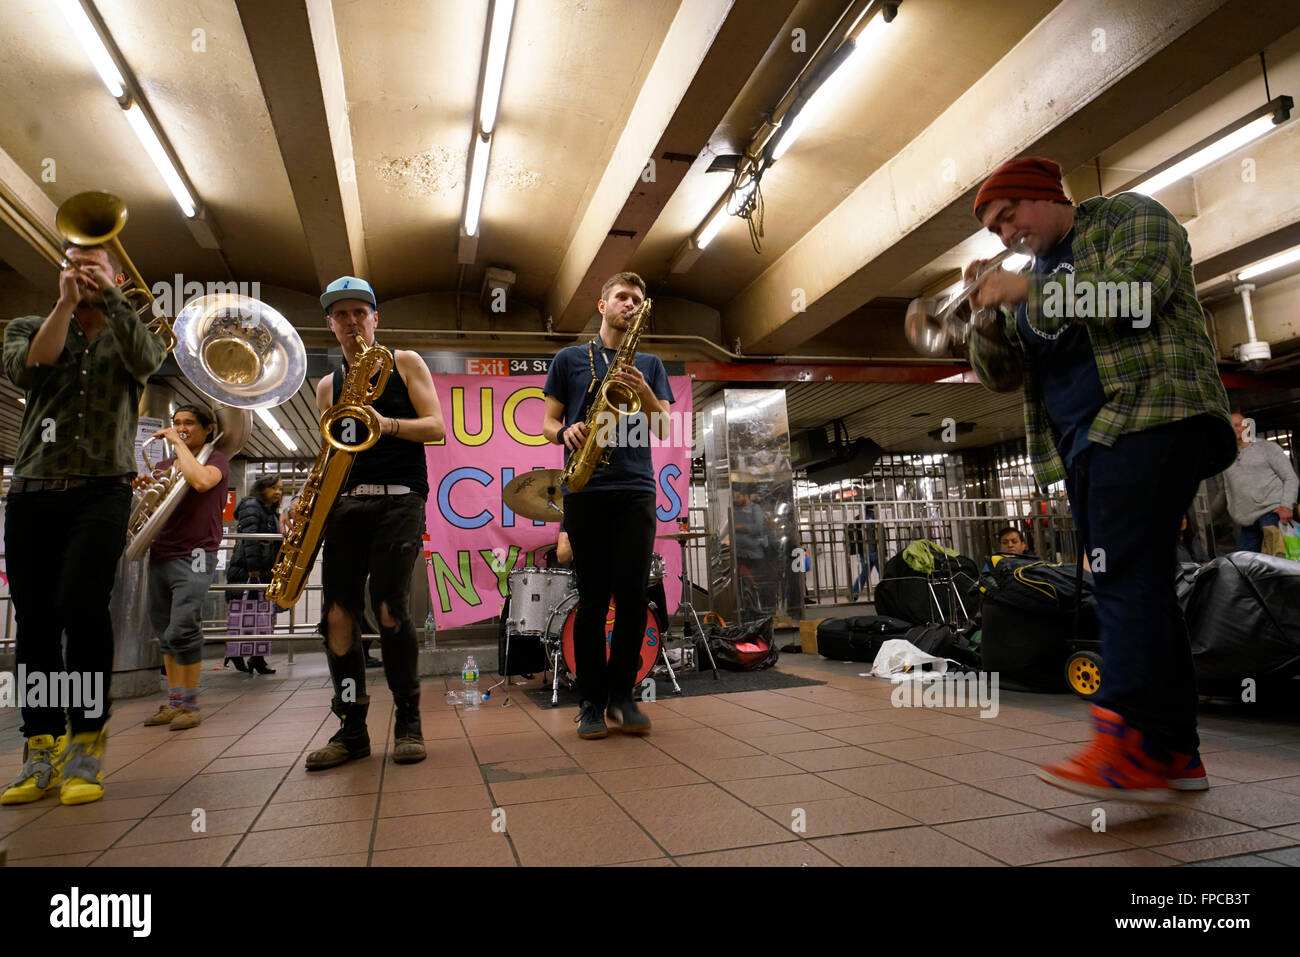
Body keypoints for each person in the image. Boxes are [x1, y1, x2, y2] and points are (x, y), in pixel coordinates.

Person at [966, 156, 1235, 801]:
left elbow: (1139, 294)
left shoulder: (1129, 217)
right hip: (1085, 445)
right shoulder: (1030, 279)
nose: (1007, 236)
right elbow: (1001, 376)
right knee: (1137, 583)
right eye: (995, 230)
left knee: (1123, 582)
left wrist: (1027, 292)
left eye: (1011, 216)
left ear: (1048, 197)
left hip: (1151, 414)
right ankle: (1174, 752)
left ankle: (1130, 743)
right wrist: (985, 317)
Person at [2, 242, 168, 806]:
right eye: (71, 263)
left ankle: (87, 741)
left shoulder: (126, 334)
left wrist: (111, 298)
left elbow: (149, 361)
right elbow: (30, 368)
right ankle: (40, 746)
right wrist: (66, 306)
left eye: (93, 264)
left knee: (80, 604)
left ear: (118, 275)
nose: (80, 271)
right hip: (32, 491)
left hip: (103, 491)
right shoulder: (30, 324)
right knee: (36, 623)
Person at [302, 277, 444, 770]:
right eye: (341, 315)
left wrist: (385, 425)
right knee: (337, 619)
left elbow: (437, 428)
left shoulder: (404, 362)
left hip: (401, 498)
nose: (351, 322)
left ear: (375, 318)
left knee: (388, 609)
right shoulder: (327, 386)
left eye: (360, 312)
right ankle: (352, 728)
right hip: (346, 502)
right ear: (330, 325)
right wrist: (304, 500)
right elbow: (328, 454)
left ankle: (408, 719)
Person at [543, 271, 673, 739]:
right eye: (622, 297)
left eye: (637, 299)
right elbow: (547, 421)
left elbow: (664, 429)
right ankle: (591, 702)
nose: (630, 304)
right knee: (594, 599)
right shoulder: (569, 359)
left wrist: (642, 393)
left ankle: (623, 696)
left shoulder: (651, 365)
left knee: (634, 598)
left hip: (635, 489)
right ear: (602, 305)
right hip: (585, 489)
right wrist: (564, 433)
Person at [139, 406, 230, 730]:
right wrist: (145, 486)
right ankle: (175, 702)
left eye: (188, 423)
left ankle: (191, 705)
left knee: (183, 627)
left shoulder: (215, 459)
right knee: (165, 632)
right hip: (161, 552)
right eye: (176, 423)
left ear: (207, 429)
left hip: (195, 553)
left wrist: (176, 444)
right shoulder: (165, 464)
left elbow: (202, 482)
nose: (180, 428)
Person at [225, 475, 282, 674]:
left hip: (263, 571)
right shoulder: (252, 505)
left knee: (262, 617)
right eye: (273, 488)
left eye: (279, 488)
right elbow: (249, 538)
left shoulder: (269, 511)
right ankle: (237, 651)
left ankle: (257, 659)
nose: (278, 492)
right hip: (248, 570)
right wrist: (254, 566)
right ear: (261, 488)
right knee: (247, 615)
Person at [1222, 412, 1298, 552]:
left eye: (1238, 425)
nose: (1235, 429)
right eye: (1230, 426)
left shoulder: (1267, 448)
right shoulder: (1227, 459)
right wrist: (1209, 520)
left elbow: (1290, 478)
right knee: (1249, 567)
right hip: (1246, 521)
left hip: (1271, 515)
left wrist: (1286, 506)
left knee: (1280, 562)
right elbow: (1226, 491)